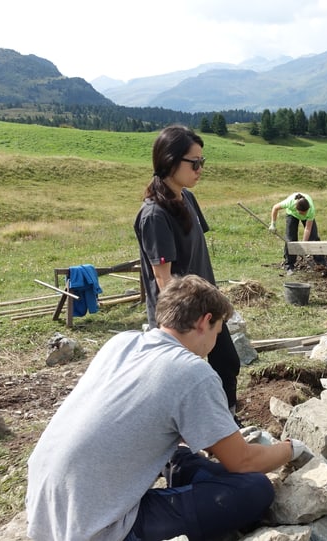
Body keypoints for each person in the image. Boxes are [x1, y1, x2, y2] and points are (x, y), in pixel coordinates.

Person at [26, 275, 307, 541]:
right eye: (218, 331)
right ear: (204, 322)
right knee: (254, 489)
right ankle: (183, 471)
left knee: (181, 452)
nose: (213, 344)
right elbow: (243, 461)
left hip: (46, 510)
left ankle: (182, 465)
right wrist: (289, 448)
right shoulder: (193, 371)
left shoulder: (121, 343)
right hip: (97, 528)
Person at [134, 124, 241, 413]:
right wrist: (186, 325)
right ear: (170, 161)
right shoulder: (154, 215)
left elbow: (196, 252)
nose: (200, 168)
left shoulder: (187, 198)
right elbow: (163, 279)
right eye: (194, 163)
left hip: (207, 304)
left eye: (202, 162)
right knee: (181, 380)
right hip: (182, 317)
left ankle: (226, 423)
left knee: (227, 364)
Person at [269, 192, 326, 274]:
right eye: (302, 213)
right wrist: (273, 224)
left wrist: (303, 244)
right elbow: (275, 208)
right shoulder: (290, 203)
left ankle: (321, 265)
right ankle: (289, 266)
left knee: (313, 237)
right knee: (290, 239)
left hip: (306, 216)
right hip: (292, 215)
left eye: (305, 212)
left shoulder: (311, 210)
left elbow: (307, 229)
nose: (304, 215)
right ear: (296, 209)